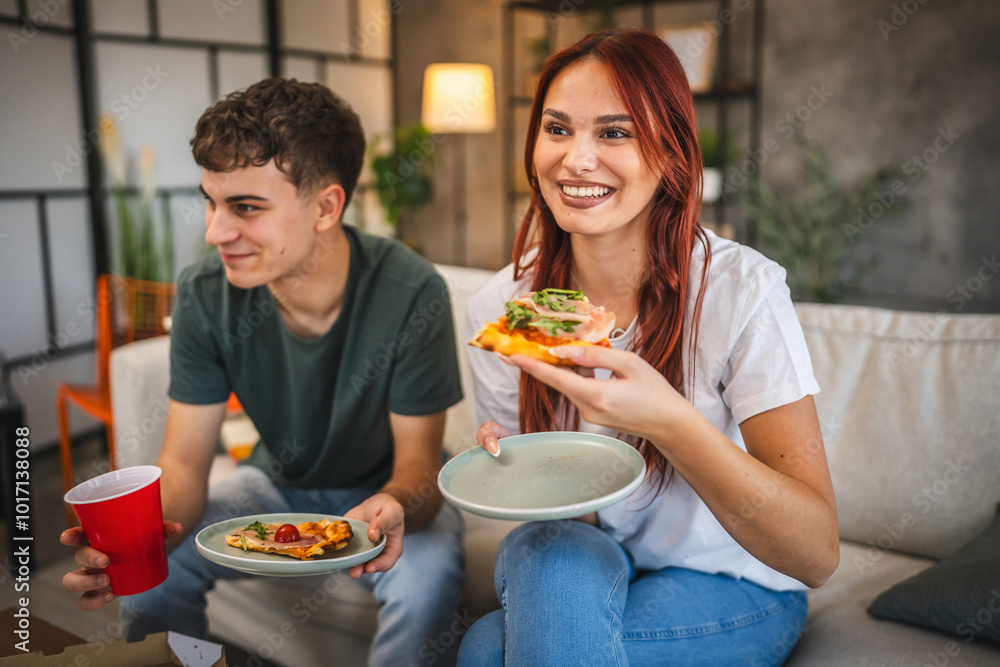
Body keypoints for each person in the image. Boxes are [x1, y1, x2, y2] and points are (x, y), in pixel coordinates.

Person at [457, 28, 839, 667]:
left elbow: (816, 554)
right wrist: (527, 475)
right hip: (602, 559)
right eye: (557, 129)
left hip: (735, 580)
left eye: (614, 132)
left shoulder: (740, 292)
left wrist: (664, 418)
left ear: (670, 152)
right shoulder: (505, 312)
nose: (576, 160)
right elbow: (574, 522)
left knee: (483, 649)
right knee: (546, 549)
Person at [60, 77, 466, 666]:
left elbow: (419, 471)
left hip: (386, 491)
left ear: (327, 206)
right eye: (212, 201)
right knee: (155, 577)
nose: (216, 232)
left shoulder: (411, 291)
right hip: (273, 488)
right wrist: (134, 540)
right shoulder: (205, 293)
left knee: (427, 584)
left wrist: (395, 503)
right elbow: (184, 464)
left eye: (246, 207)